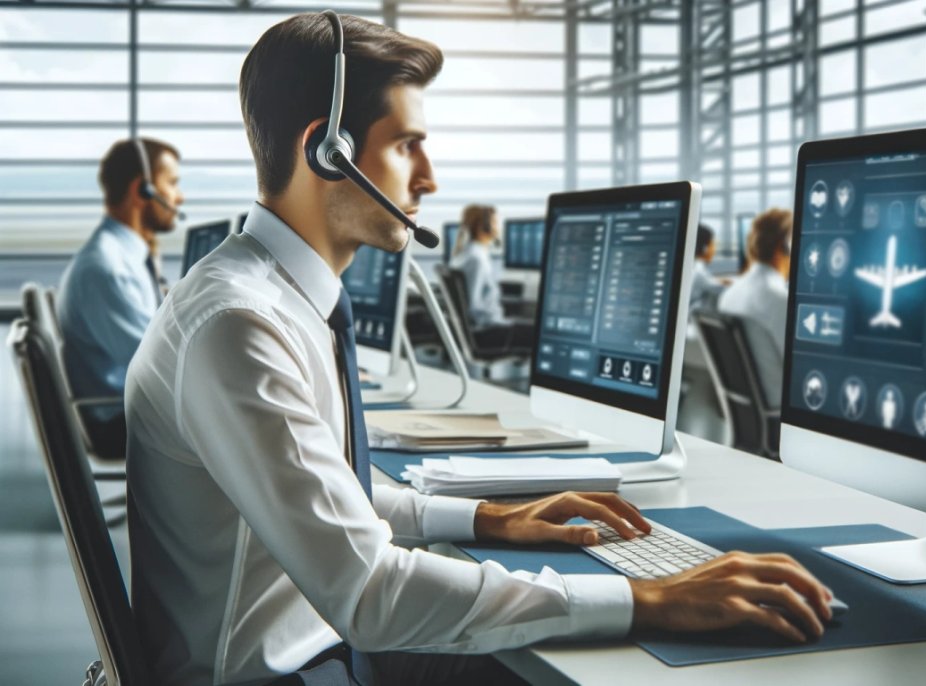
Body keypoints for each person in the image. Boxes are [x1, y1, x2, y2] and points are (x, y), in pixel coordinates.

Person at [125, 13, 833, 686]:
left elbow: (333, 495)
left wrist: (489, 519)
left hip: (320, 650)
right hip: (290, 673)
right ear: (329, 151)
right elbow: (370, 591)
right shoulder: (239, 324)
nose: (428, 177)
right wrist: (649, 598)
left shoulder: (273, 298)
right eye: (407, 146)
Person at [56, 137, 183, 458]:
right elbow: (158, 367)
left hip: (128, 410)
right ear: (143, 190)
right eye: (172, 184)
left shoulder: (123, 256)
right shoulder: (108, 269)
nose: (179, 197)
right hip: (120, 421)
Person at [717, 208, 793, 406]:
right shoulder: (780, 301)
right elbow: (799, 371)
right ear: (782, 246)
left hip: (746, 414)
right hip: (779, 413)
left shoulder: (729, 294)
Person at [449, 203, 535, 350]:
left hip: (486, 328)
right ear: (485, 227)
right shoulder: (476, 259)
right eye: (495, 222)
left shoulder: (467, 254)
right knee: (542, 332)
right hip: (487, 331)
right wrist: (505, 322)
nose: (497, 227)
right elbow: (474, 308)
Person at [689, 223, 727, 313]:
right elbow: (724, 290)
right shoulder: (698, 272)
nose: (714, 249)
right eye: (713, 244)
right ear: (705, 248)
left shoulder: (691, 267)